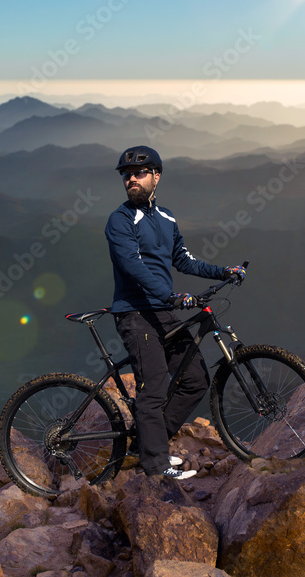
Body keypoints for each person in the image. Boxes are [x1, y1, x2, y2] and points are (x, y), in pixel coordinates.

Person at [105, 145, 246, 479]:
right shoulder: (120, 220)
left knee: (195, 379)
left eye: (139, 173)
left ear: (156, 176)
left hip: (163, 311)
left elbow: (184, 259)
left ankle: (148, 445)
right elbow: (133, 267)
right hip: (136, 313)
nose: (131, 180)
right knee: (152, 389)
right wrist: (171, 295)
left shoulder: (166, 217)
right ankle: (154, 467)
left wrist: (222, 272)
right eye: (126, 176)